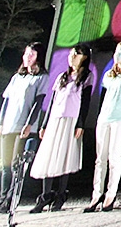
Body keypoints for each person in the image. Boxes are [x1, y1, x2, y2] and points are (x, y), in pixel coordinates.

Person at [29, 44, 93, 213]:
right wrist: (44, 124)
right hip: (55, 120)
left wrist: (81, 123)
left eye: (76, 54)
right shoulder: (62, 77)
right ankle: (45, 195)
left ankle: (60, 194)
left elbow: (85, 102)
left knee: (65, 155)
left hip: (71, 120)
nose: (72, 56)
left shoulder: (87, 77)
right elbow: (51, 102)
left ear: (84, 57)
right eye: (71, 54)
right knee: (49, 155)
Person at [0, 42, 47, 214]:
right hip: (9, 125)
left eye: (32, 54)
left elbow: (39, 102)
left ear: (39, 57)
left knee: (16, 165)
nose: (27, 57)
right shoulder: (16, 78)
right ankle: (2, 200)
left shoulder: (41, 78)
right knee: (5, 165)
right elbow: (6, 101)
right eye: (26, 53)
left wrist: (29, 124)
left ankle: (11, 201)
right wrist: (0, 122)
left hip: (24, 127)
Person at [85, 41, 121, 212]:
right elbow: (103, 97)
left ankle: (111, 194)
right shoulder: (109, 74)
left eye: (120, 52)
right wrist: (98, 118)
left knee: (114, 157)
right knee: (99, 158)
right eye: (116, 51)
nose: (116, 55)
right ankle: (96, 194)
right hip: (104, 118)